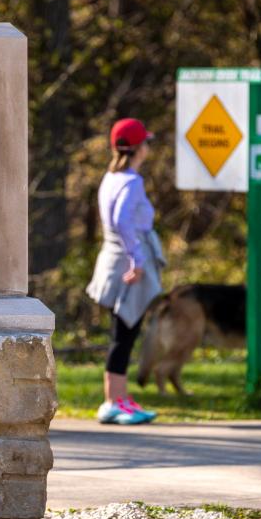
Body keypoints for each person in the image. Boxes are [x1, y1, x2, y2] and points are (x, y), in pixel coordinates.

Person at [86, 118, 165, 425]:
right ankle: (113, 402)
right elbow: (121, 220)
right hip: (129, 261)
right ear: (136, 148)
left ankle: (118, 398)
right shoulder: (132, 181)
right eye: (145, 142)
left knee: (122, 332)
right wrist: (138, 260)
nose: (148, 147)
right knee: (125, 332)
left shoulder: (110, 177)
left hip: (113, 257)